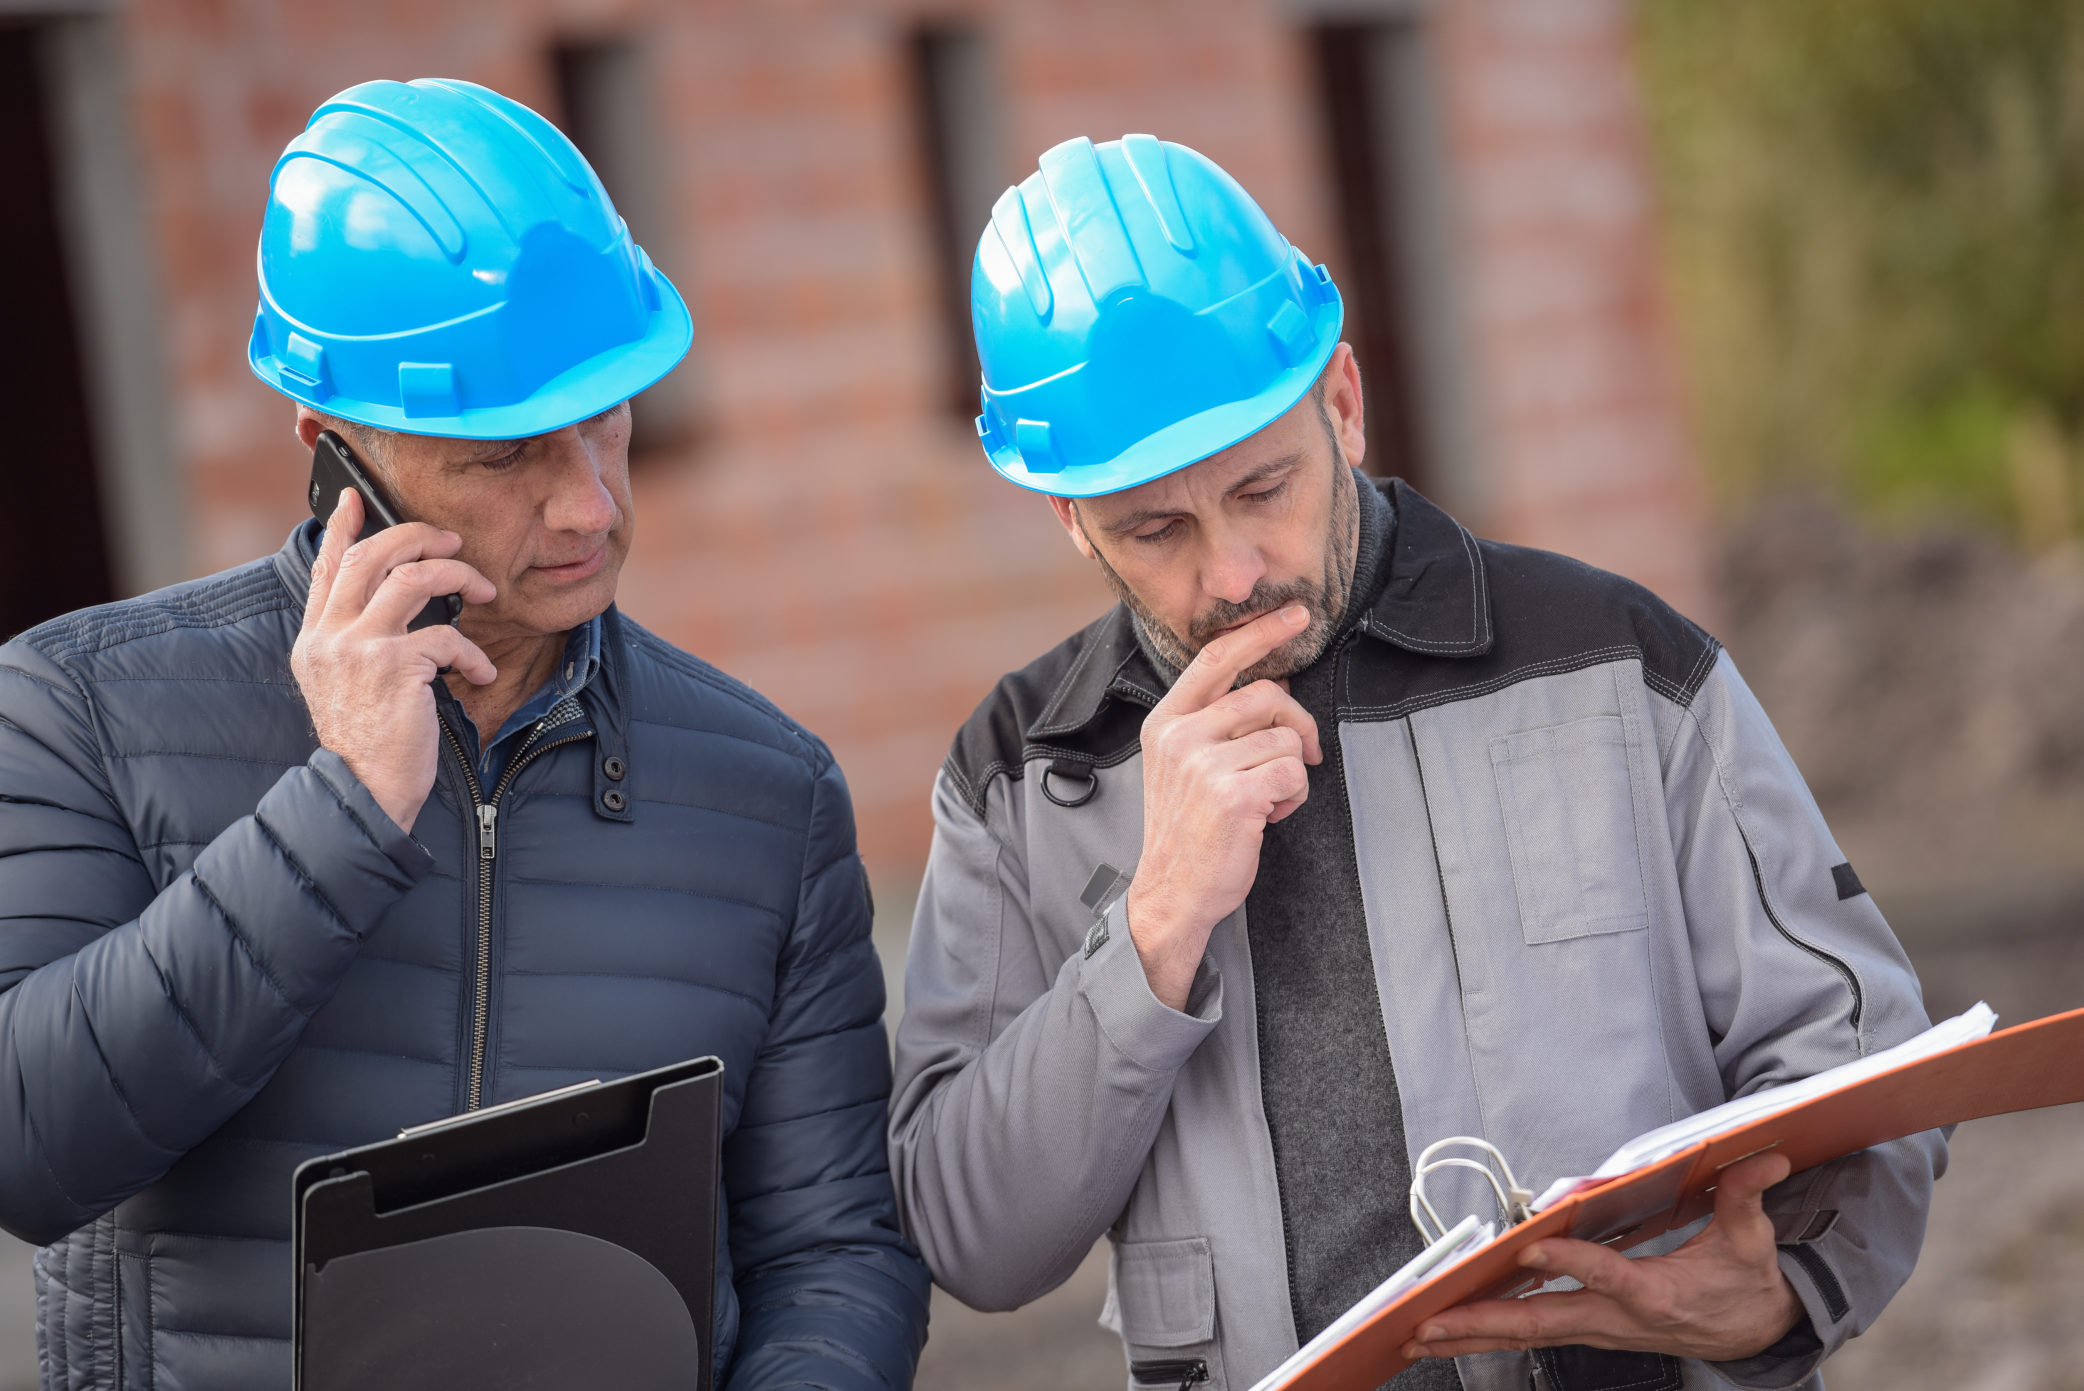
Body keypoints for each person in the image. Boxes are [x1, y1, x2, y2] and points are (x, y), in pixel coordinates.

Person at [887, 134, 1940, 1391]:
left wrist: (1780, 1285)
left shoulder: (1615, 661)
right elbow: (968, 1237)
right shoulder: (1019, 778)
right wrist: (1155, 921)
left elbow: (1865, 1062)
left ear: (1340, 401)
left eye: (1263, 485)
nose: (1230, 574)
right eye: (1151, 528)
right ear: (1069, 520)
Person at [0, 79, 927, 1391]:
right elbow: (31, 1154)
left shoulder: (768, 790)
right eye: (504, 453)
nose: (590, 503)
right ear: (335, 452)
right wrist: (340, 812)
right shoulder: (77, 707)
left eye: (608, 412)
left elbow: (834, 1249)